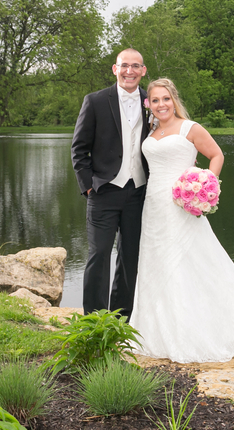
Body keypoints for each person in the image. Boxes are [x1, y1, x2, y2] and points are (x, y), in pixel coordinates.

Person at [130, 77, 234, 362]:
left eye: (165, 98)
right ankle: (157, 331)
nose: (161, 104)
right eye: (155, 100)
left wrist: (204, 183)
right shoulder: (150, 132)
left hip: (181, 204)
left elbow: (216, 155)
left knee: (190, 260)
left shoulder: (190, 128)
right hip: (154, 206)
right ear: (148, 104)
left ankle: (195, 330)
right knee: (156, 263)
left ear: (173, 99)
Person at [71, 48, 150, 319]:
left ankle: (121, 318)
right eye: (124, 65)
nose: (129, 71)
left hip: (138, 193)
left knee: (130, 259)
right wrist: (88, 185)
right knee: (99, 255)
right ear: (115, 69)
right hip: (103, 191)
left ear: (143, 71)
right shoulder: (94, 101)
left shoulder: (153, 102)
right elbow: (79, 149)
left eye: (135, 66)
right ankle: (94, 320)